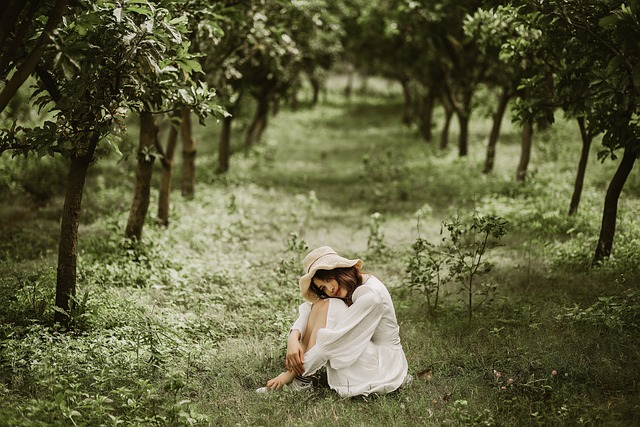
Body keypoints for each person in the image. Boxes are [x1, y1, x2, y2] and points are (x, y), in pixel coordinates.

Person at [257, 246, 410, 397]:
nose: (329, 289)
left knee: (330, 305)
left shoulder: (370, 296)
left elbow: (333, 342)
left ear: (341, 271)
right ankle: (302, 376)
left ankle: (301, 378)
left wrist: (289, 374)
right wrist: (293, 336)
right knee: (322, 304)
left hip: (382, 366)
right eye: (323, 287)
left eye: (329, 280)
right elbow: (311, 308)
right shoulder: (358, 283)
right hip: (371, 352)